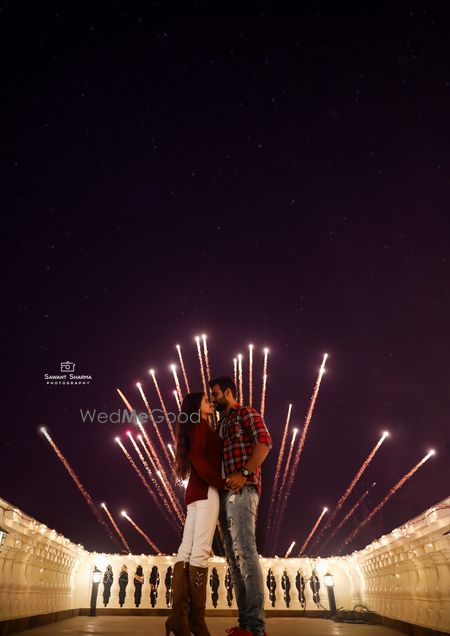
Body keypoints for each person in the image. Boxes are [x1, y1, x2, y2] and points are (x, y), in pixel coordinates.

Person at [210, 376, 272, 636]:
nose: (212, 399)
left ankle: (256, 628)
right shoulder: (220, 424)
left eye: (215, 394)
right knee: (233, 561)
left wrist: (245, 472)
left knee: (245, 552)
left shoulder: (245, 413)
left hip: (243, 489)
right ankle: (245, 625)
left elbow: (264, 442)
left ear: (228, 392)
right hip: (224, 494)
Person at [166, 392, 226, 636]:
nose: (210, 403)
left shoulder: (194, 426)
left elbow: (193, 457)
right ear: (197, 407)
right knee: (200, 553)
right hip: (205, 491)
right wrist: (218, 482)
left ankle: (178, 619)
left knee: (186, 551)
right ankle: (196, 622)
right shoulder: (200, 425)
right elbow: (197, 457)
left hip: (193, 494)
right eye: (205, 401)